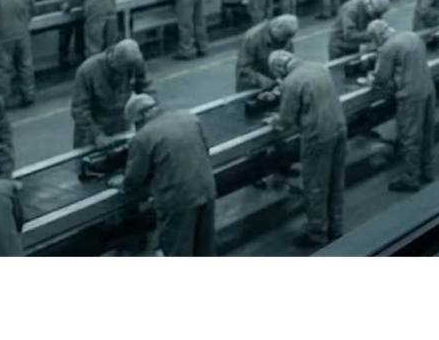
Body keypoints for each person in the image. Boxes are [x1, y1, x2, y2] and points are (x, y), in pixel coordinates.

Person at [119, 94, 217, 258]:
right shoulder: (189, 118)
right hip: (206, 190)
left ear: (141, 116)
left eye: (136, 123)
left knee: (179, 251)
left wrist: (121, 183)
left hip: (178, 201)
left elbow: (133, 179)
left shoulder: (143, 136)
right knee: (205, 249)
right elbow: (206, 150)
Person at [268, 50, 347, 247]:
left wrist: (274, 121)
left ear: (279, 68)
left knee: (316, 185)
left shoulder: (291, 81)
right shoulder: (319, 67)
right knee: (336, 181)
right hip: (339, 128)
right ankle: (336, 227)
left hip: (318, 136)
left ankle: (317, 234)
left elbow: (286, 120)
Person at [365, 20, 434, 192]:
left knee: (409, 137)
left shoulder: (388, 47)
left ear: (377, 36)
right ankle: (427, 170)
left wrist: (371, 77)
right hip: (428, 88)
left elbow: (382, 77)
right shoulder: (412, 36)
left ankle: (411, 179)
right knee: (426, 132)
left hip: (410, 94)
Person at [70, 39, 155, 149]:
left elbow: (147, 87)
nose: (123, 75)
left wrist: (151, 112)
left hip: (120, 128)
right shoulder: (87, 71)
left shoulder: (134, 64)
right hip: (92, 132)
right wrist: (97, 135)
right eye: (122, 70)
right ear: (113, 62)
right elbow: (79, 110)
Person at [236, 14, 298, 92]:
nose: (282, 42)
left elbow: (288, 64)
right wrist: (268, 83)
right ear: (276, 27)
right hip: (251, 87)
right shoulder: (252, 38)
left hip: (274, 86)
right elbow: (244, 70)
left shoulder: (286, 38)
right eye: (282, 37)